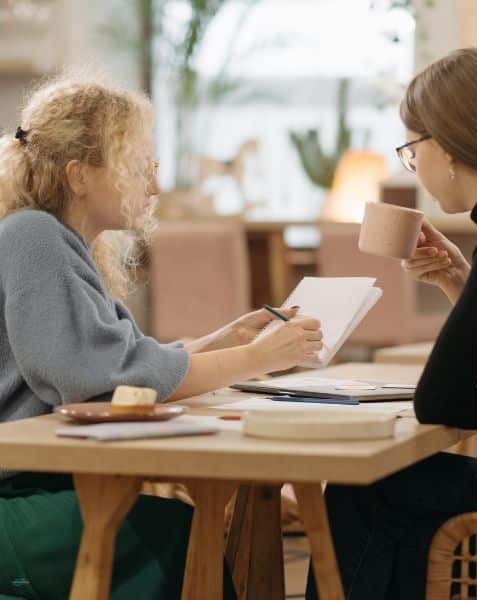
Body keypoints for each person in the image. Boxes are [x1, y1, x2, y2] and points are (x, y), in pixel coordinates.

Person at [0, 74, 323, 600]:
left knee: (180, 527)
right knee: (181, 532)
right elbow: (100, 384)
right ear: (79, 175)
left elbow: (121, 363)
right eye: (137, 167)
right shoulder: (33, 238)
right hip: (18, 502)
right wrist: (252, 357)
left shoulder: (57, 242)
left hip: (49, 484)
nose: (152, 185)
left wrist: (222, 341)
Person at [306, 47, 477, 599]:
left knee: (362, 490)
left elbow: (437, 399)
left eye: (410, 148)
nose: (412, 164)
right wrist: (456, 280)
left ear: (446, 146)